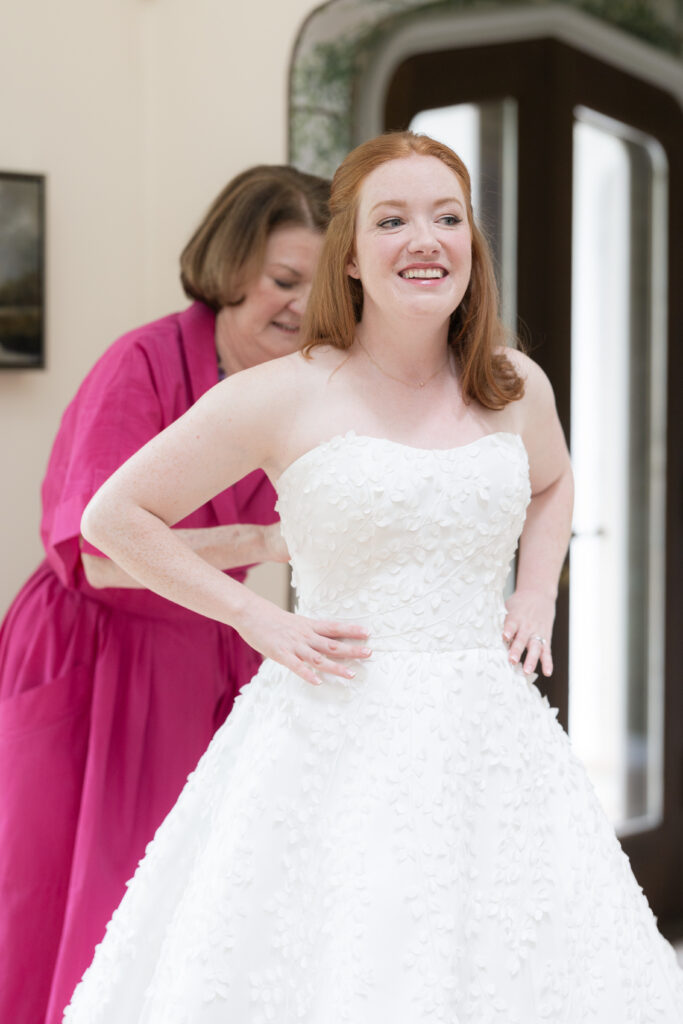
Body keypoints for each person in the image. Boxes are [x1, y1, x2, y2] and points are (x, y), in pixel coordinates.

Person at [64, 132, 683, 1022]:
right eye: (391, 220)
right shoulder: (282, 393)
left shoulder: (515, 386)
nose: (423, 239)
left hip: (490, 739)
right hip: (327, 728)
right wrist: (252, 618)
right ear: (349, 257)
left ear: (471, 242)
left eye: (446, 217)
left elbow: (552, 483)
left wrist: (534, 590)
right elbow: (112, 520)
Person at [0, 164, 330, 1024]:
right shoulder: (141, 365)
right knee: (64, 905)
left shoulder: (300, 390)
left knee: (189, 905)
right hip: (99, 648)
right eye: (282, 280)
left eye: (319, 286)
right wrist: (258, 545)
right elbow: (102, 552)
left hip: (205, 656)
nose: (298, 306)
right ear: (231, 266)